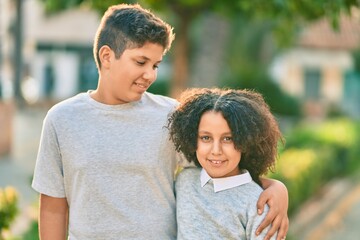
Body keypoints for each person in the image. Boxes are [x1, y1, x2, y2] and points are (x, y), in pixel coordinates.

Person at [31, 3, 288, 240]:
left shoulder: (171, 115)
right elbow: (53, 207)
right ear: (107, 56)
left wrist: (274, 187)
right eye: (141, 62)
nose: (150, 75)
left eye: (156, 65)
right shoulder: (62, 119)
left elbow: (217, 167)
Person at [168, 88, 285, 240]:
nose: (216, 150)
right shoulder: (185, 180)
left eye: (227, 139)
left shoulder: (259, 204)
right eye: (205, 138)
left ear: (246, 141)